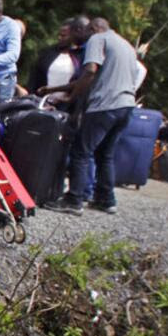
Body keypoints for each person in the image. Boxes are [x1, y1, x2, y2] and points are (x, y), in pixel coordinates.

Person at [40, 18, 140, 215]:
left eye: (85, 30)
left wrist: (71, 99)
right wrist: (56, 89)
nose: (82, 35)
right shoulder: (125, 44)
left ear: (93, 29)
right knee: (106, 153)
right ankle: (106, 199)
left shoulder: (98, 39)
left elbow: (89, 73)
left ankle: (74, 200)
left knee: (80, 151)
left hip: (104, 105)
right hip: (126, 105)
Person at [27, 19, 80, 109]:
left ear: (73, 36)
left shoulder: (80, 56)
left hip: (68, 106)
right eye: (59, 35)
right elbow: (35, 77)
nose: (60, 38)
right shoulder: (47, 53)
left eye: (64, 36)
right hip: (43, 103)